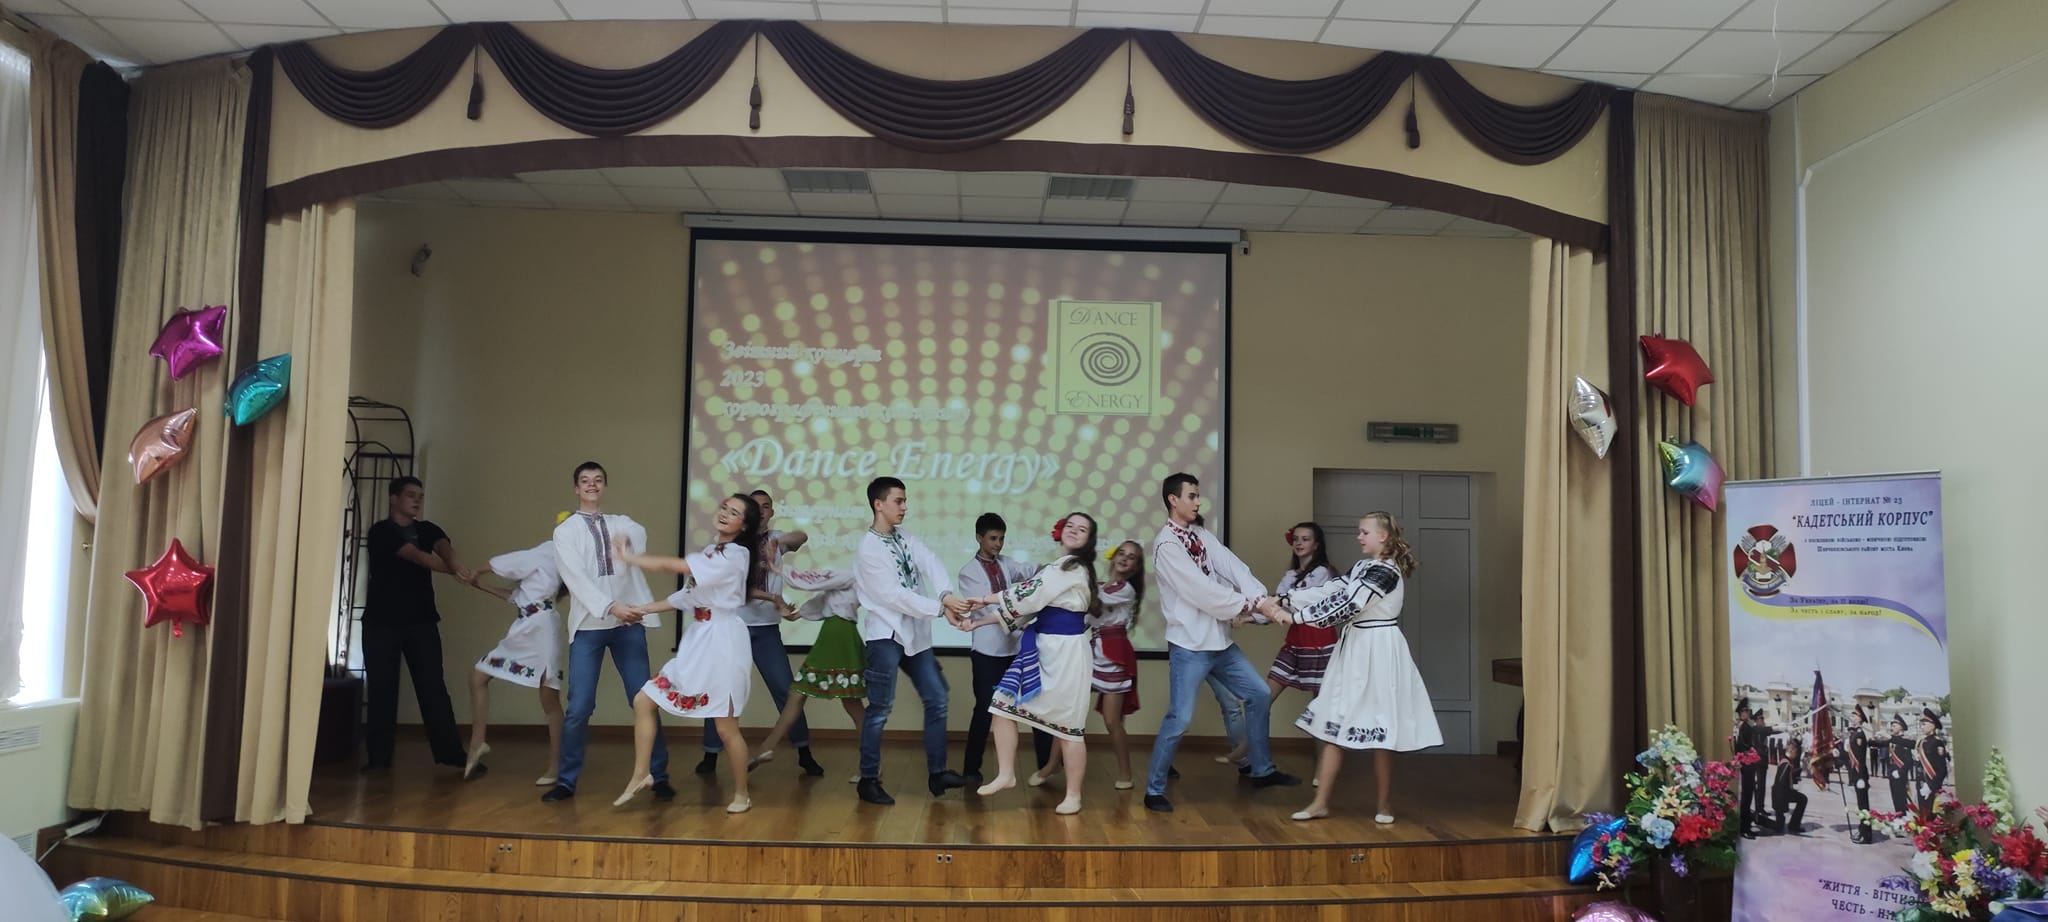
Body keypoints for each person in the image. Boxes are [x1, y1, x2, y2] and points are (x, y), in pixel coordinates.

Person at [1259, 512, 1441, 823]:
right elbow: (1330, 591)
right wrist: (1283, 599)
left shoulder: (1386, 571)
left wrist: (1295, 617)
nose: (1359, 537)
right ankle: (1320, 802)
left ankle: (1384, 805)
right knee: (1335, 719)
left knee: (1382, 725)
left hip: (1379, 649)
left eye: (1364, 532)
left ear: (1383, 536)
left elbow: (1348, 605)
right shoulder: (1362, 567)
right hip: (1355, 648)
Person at [1142, 473, 1300, 813]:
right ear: (1173, 499)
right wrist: (1254, 606)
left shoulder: (1200, 535)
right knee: (1180, 718)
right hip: (1189, 646)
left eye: (1198, 495)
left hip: (1219, 643)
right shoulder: (1167, 545)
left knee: (1259, 694)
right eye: (1192, 496)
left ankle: (1262, 770)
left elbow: (1233, 567)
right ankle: (1153, 789)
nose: (1198, 502)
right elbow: (1201, 592)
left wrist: (1261, 599)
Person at [610, 493, 763, 814]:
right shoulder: (711, 551)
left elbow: (673, 566)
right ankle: (642, 773)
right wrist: (642, 609)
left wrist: (630, 558)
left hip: (723, 643)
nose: (725, 514)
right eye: (724, 507)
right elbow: (687, 596)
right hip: (699, 641)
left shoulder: (736, 555)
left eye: (734, 512)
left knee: (725, 727)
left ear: (744, 525)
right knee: (644, 700)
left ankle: (741, 794)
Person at [952, 512, 1103, 815]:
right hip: (1044, 649)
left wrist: (986, 599)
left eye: (1082, 529)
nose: (1074, 531)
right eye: (1070, 526)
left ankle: (1073, 795)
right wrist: (978, 622)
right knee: (1000, 706)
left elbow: (1028, 594)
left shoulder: (1072, 567)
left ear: (1089, 539)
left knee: (1068, 727)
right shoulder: (1059, 567)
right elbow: (1028, 609)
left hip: (1066, 655)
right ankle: (1006, 774)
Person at [543, 461, 672, 804]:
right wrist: (610, 606)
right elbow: (575, 578)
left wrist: (626, 542)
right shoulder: (566, 531)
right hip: (590, 626)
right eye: (585, 480)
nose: (592, 485)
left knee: (644, 699)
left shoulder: (620, 522)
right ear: (576, 488)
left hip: (628, 625)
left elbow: (639, 536)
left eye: (598, 480)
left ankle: (659, 775)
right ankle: (566, 781)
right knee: (580, 706)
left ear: (604, 486)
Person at [852, 476, 973, 805]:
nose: (904, 507)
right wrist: (941, 608)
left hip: (915, 637)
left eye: (905, 501)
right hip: (886, 636)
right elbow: (894, 596)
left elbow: (930, 561)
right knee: (880, 709)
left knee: (937, 698)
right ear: (879, 504)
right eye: (899, 501)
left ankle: (937, 773)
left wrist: (946, 594)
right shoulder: (868, 549)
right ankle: (868, 779)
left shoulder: (903, 536)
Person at [696, 490, 821, 778]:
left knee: (786, 690)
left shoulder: (775, 538)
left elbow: (801, 537)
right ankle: (710, 754)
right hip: (733, 628)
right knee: (721, 690)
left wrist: (779, 542)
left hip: (766, 631)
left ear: (771, 512)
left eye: (766, 507)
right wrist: (773, 598)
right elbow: (738, 589)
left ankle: (804, 752)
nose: (761, 511)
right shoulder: (732, 544)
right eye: (756, 506)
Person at [361, 476, 469, 774]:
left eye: (420, 495)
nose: (417, 500)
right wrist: (456, 572)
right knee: (382, 689)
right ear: (394, 499)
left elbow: (443, 547)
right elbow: (418, 557)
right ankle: (379, 760)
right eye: (410, 495)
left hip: (421, 623)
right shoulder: (380, 532)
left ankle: (452, 755)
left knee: (433, 687)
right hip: (381, 624)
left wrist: (456, 564)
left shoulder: (427, 529)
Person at [1221, 523, 1338, 772]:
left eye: (1305, 539)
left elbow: (1298, 604)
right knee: (1264, 695)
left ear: (1316, 545)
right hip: (1296, 641)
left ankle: (1322, 767)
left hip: (1320, 643)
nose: (1299, 543)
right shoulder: (1290, 576)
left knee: (1321, 707)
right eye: (1296, 539)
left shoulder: (1323, 573)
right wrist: (1247, 618)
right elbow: (1275, 608)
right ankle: (1245, 748)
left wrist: (1273, 606)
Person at [458, 533, 568, 785]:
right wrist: (478, 584)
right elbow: (517, 597)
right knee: (478, 675)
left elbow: (513, 562)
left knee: (548, 696)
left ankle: (556, 765)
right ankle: (478, 742)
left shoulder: (552, 551)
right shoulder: (551, 555)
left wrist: (478, 571)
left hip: (541, 629)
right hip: (527, 625)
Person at [955, 512, 1052, 784]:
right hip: (987, 652)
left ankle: (1046, 766)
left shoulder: (1008, 563)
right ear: (979, 538)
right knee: (985, 710)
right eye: (993, 538)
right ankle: (971, 770)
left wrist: (1057, 568)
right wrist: (1023, 610)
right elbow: (991, 609)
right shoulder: (968, 572)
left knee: (1033, 704)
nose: (998, 544)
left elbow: (1033, 571)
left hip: (1015, 650)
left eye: (1001, 538)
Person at [747, 563, 866, 777]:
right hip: (838, 632)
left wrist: (779, 569)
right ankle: (766, 747)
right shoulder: (849, 580)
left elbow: (811, 580)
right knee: (838, 700)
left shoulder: (849, 574)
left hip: (837, 633)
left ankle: (871, 766)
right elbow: (822, 599)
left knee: (813, 695)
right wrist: (796, 614)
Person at [1841, 705, 1873, 843]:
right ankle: (1862, 830)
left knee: (1864, 806)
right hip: (1856, 774)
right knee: (1861, 806)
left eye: (1854, 716)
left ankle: (1866, 835)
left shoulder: (1859, 735)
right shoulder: (1854, 734)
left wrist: (1860, 777)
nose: (1852, 717)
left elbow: (1859, 758)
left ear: (1860, 719)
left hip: (1860, 775)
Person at [1771, 737, 1810, 835]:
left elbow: (1789, 776)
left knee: (1802, 799)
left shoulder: (1785, 761)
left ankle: (1793, 824)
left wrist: (1800, 770)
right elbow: (1780, 784)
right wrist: (1781, 807)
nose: (1796, 755)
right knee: (1803, 799)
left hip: (1783, 792)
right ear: (1791, 750)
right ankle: (1793, 825)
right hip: (1781, 794)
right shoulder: (1786, 764)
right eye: (1795, 752)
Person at [1914, 708, 1949, 814]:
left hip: (1930, 786)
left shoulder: (1937, 743)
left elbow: (1942, 770)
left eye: (1924, 724)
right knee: (1922, 817)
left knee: (1930, 817)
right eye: (1921, 724)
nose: (1922, 727)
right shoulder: (1922, 742)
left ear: (1933, 725)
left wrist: (1930, 786)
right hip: (1920, 784)